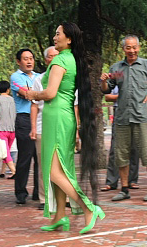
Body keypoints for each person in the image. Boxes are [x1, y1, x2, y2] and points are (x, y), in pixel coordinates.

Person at [14, 22, 103, 234]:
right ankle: (60, 216)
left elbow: (50, 93)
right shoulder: (72, 58)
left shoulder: (60, 60)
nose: (55, 37)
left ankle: (88, 208)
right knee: (61, 169)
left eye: (58, 34)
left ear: (69, 39)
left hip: (57, 117)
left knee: (54, 172)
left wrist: (31, 94)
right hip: (64, 116)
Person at [100, 35, 147, 202]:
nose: (132, 51)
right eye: (128, 48)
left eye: (134, 47)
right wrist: (103, 81)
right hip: (122, 117)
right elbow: (106, 90)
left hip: (142, 116)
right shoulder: (117, 68)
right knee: (121, 155)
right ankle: (124, 189)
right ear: (123, 49)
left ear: (138, 48)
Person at [31, 47, 59, 210]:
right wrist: (33, 128)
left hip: (63, 126)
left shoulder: (69, 77)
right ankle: (45, 199)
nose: (54, 59)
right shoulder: (39, 80)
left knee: (63, 163)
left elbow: (74, 105)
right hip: (43, 126)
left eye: (57, 56)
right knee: (44, 165)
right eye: (50, 56)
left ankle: (64, 196)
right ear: (46, 60)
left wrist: (76, 129)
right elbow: (34, 105)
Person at [10, 49, 39, 205]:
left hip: (40, 118)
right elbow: (26, 94)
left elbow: (35, 94)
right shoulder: (15, 77)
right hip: (24, 119)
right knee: (25, 157)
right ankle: (20, 192)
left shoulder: (39, 76)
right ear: (18, 61)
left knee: (40, 157)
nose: (29, 61)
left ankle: (38, 192)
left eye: (31, 58)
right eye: (25, 59)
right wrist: (37, 93)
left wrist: (34, 93)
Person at [101, 86, 141, 191]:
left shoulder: (137, 78)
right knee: (115, 148)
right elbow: (108, 97)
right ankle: (111, 181)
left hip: (135, 110)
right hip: (119, 111)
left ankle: (132, 180)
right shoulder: (117, 77)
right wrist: (125, 96)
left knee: (134, 147)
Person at [0, 80, 17, 178]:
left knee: (5, 152)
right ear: (8, 89)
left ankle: (14, 171)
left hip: (2, 129)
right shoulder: (13, 100)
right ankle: (2, 171)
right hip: (12, 129)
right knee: (6, 151)